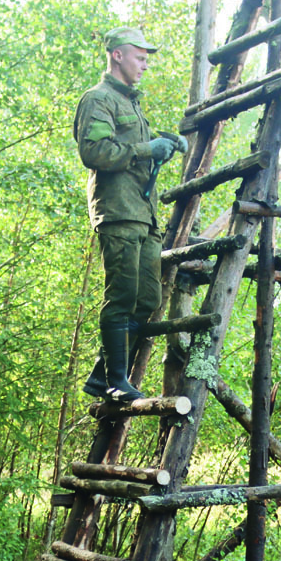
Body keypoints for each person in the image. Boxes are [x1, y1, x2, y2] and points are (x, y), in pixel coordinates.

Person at [73, 25, 186, 402]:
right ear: (117, 55)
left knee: (148, 298)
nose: (145, 65)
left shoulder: (130, 102)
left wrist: (164, 142)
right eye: (140, 57)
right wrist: (144, 150)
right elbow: (96, 153)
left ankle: (102, 375)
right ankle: (114, 381)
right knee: (121, 296)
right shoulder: (98, 99)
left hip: (143, 212)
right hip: (118, 209)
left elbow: (134, 146)